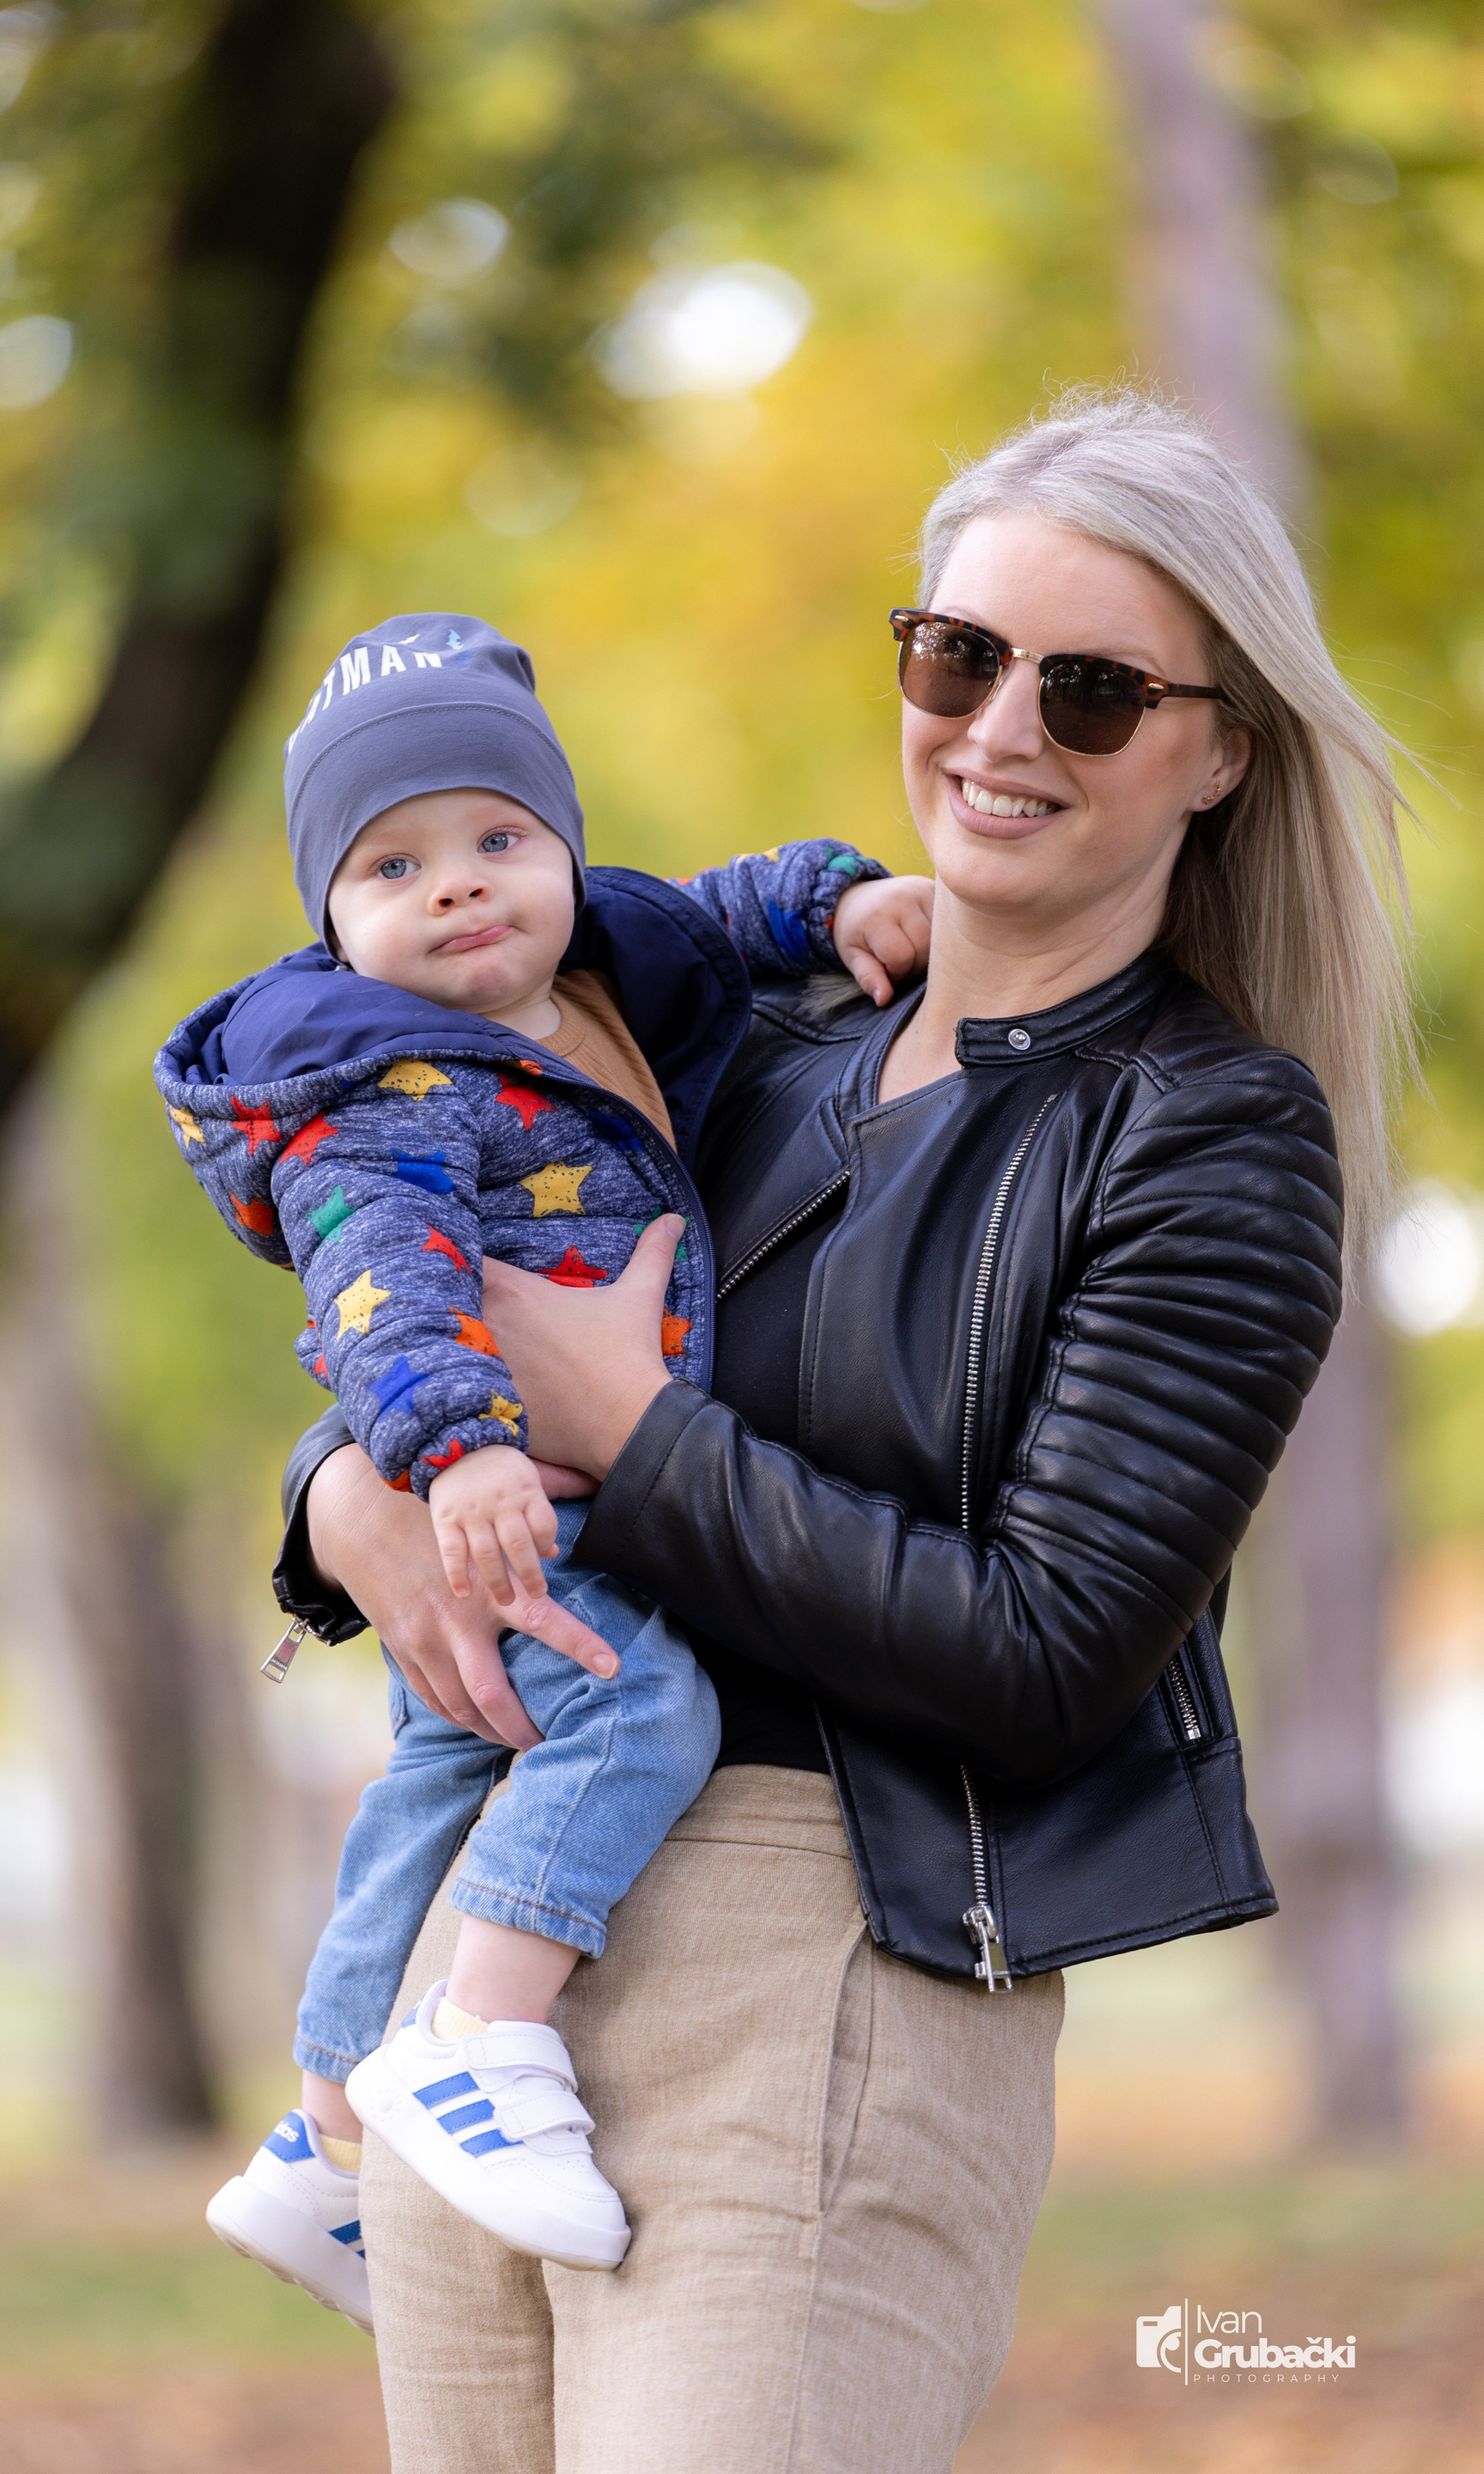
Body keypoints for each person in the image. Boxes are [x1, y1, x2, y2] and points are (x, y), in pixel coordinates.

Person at [272, 391, 1414, 2474]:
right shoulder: (753, 1037)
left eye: (1091, 689)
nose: (1000, 730)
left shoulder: (1210, 1137)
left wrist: (631, 1428)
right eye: (958, 657)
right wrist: (341, 1497)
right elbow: (433, 1247)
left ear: (1222, 750)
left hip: (834, 1970)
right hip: (489, 1991)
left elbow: (1052, 1655)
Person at [154, 613, 935, 2320]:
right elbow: (383, 1285)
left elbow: (723, 906)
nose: (458, 884)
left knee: (439, 1777)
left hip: (553, 1496)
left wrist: (843, 903)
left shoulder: (603, 975)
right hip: (515, 1498)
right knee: (642, 1713)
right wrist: (456, 1455)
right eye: (393, 865)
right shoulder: (379, 1090)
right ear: (335, 923)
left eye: (499, 838)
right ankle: (482, 2042)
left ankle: (322, 2137)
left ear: (561, 852)